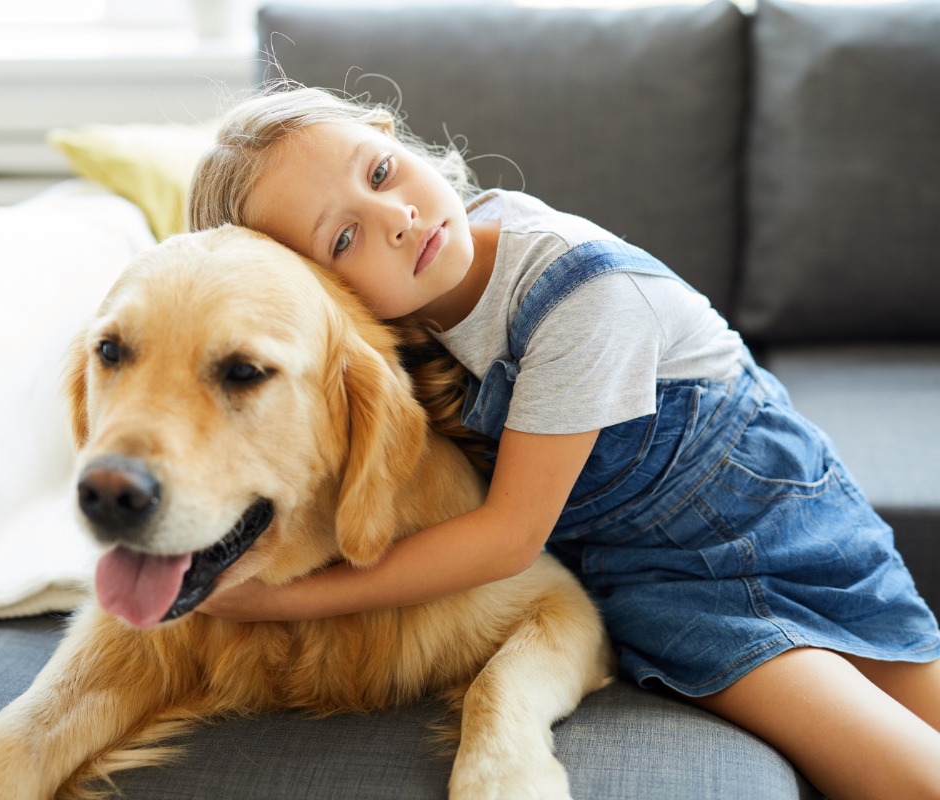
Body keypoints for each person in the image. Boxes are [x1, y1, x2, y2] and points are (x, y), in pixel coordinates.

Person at [186, 84, 940, 799]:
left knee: (912, 771)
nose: (396, 219)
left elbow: (509, 539)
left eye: (381, 172)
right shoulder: (388, 341)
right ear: (323, 290)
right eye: (344, 237)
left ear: (389, 135)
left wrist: (285, 599)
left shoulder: (580, 293)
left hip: (770, 525)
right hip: (649, 580)